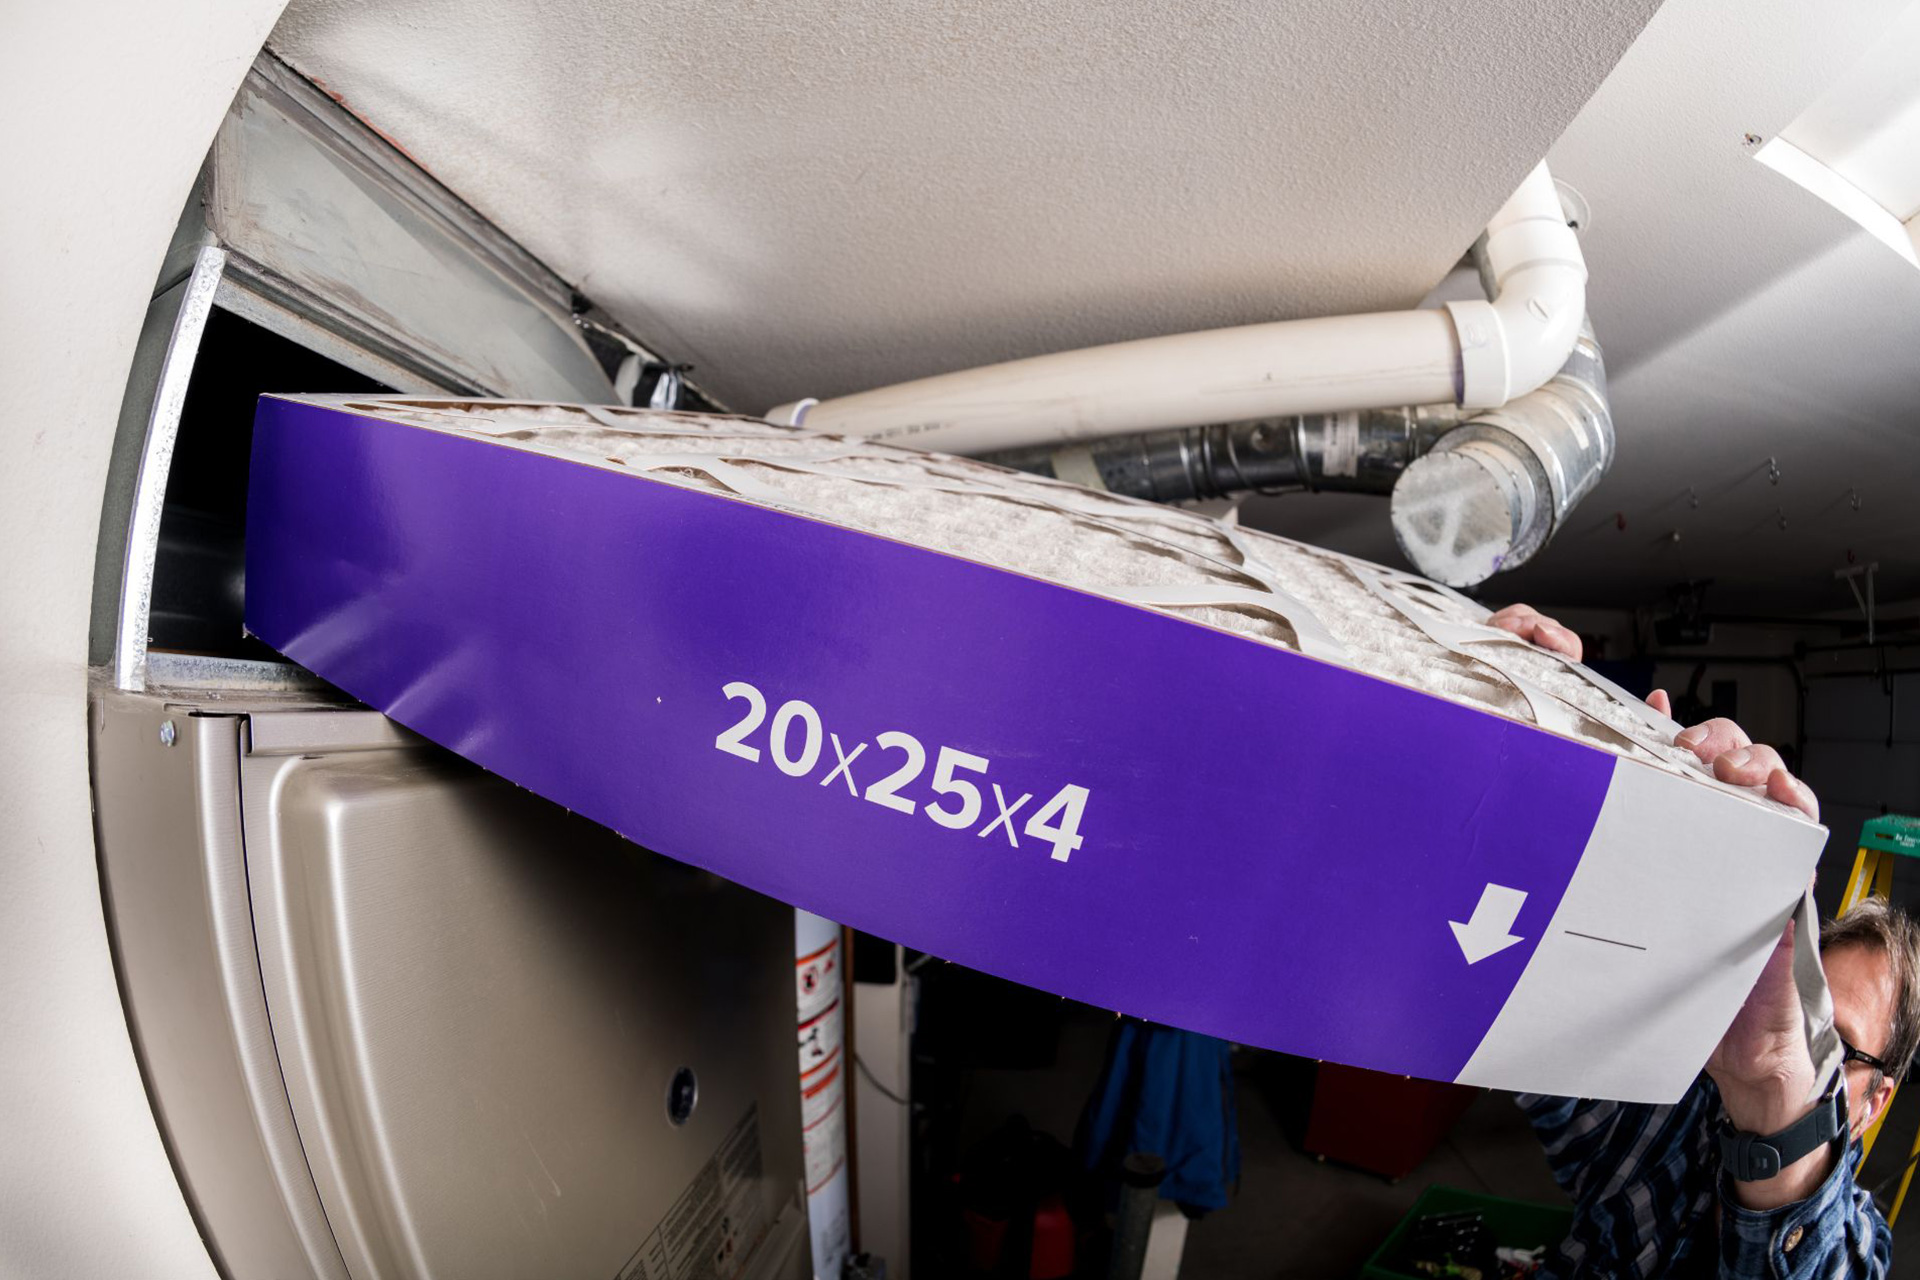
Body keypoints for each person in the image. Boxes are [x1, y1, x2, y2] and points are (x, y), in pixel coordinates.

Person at [1486, 603, 1920, 1278]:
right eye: (1803, 1002)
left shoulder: (1855, 1249)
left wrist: (1777, 1088)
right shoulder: (1663, 1123)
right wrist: (1532, 756)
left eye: (1833, 1042)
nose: (1799, 1038)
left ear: (1875, 1102)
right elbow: (1525, 1009)